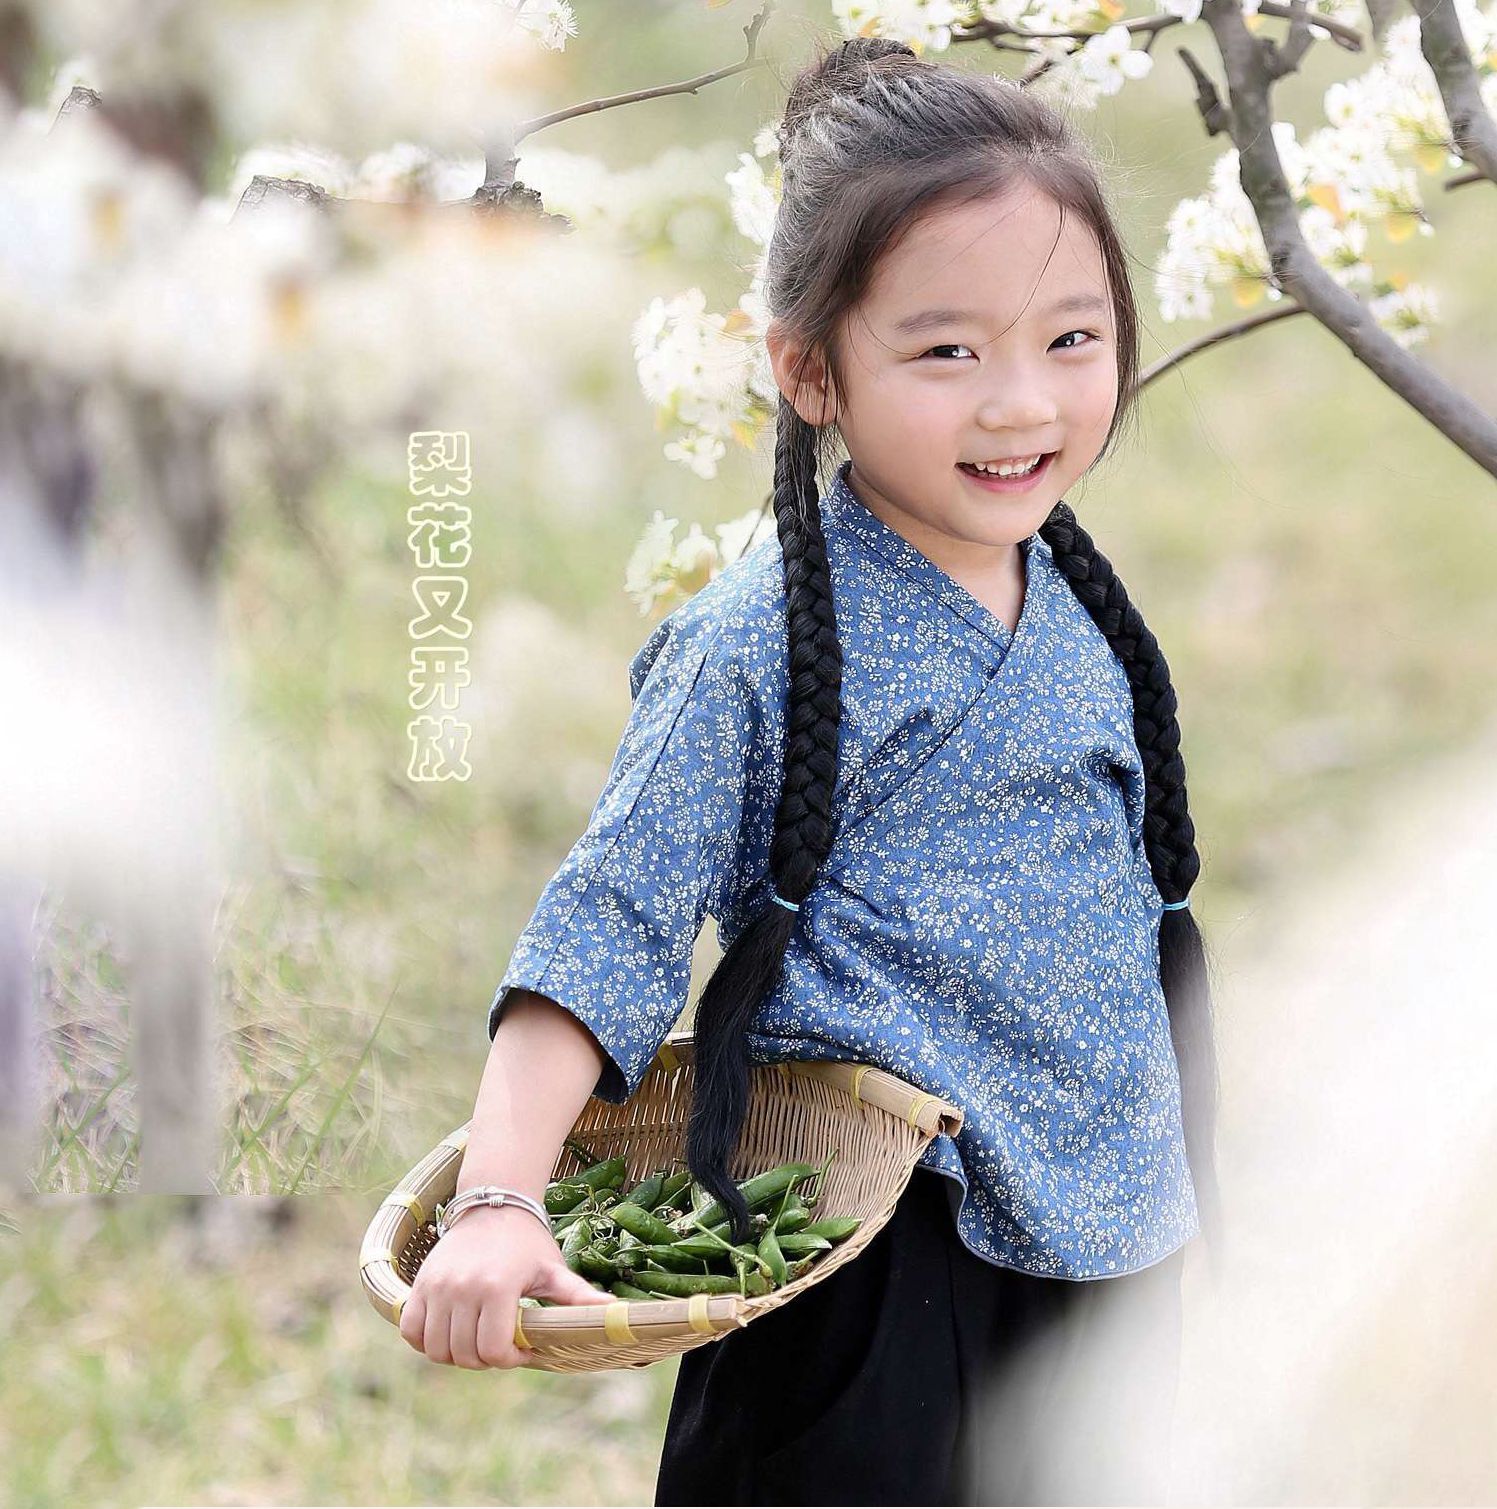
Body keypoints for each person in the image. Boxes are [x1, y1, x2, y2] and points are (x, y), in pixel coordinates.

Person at [398, 32, 1226, 1508]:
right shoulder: (756, 644)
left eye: (1071, 338)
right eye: (946, 350)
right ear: (808, 370)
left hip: (1103, 1229)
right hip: (877, 1258)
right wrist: (499, 1195)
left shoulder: (1074, 599)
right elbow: (611, 914)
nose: (1020, 403)